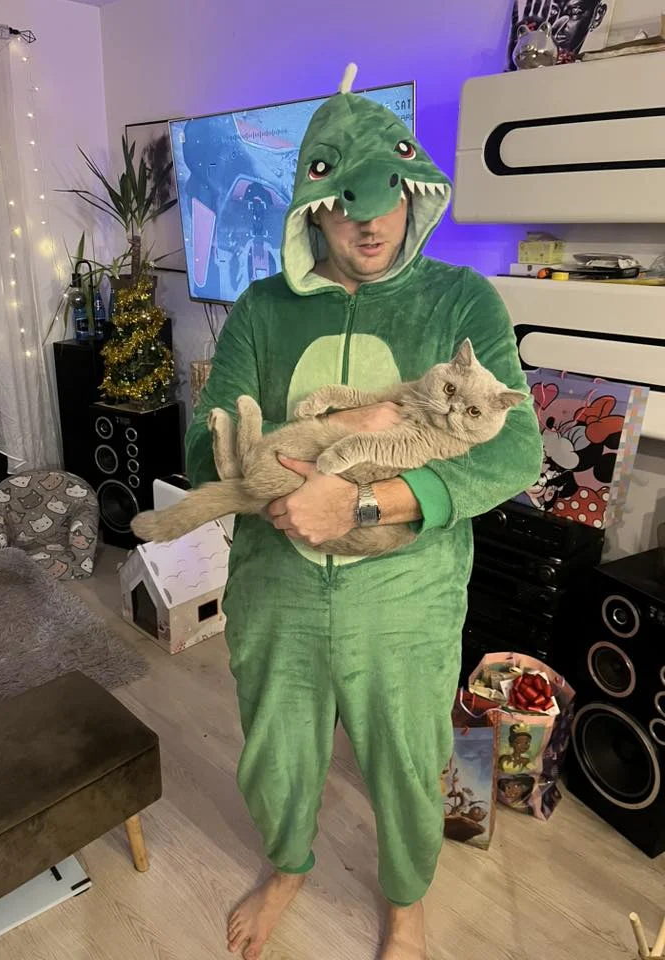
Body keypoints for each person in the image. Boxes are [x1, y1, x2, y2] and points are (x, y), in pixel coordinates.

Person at [184, 65, 543, 960]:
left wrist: (366, 499)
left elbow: (514, 451)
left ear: (413, 191)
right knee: (276, 748)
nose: (370, 224)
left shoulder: (461, 301)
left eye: (387, 199)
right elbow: (202, 448)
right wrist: (328, 450)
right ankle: (288, 866)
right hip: (277, 581)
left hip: (408, 596)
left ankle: (407, 903)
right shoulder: (262, 308)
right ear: (314, 210)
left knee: (410, 760)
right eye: (346, 207)